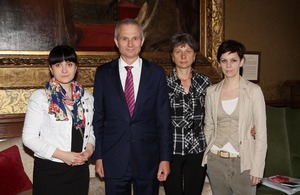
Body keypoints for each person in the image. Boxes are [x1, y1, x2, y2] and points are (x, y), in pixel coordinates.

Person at [92, 18, 173, 195]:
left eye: (135, 38)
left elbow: (164, 120)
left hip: (148, 159)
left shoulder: (156, 73)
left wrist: (165, 158)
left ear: (142, 41)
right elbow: (97, 118)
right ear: (116, 42)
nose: (130, 44)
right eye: (124, 38)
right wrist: (98, 156)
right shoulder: (103, 74)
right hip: (113, 159)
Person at [22, 45, 95, 195]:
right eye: (58, 65)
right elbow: (29, 138)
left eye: (69, 64)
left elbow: (91, 131)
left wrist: (89, 150)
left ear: (76, 67)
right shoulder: (40, 97)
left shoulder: (87, 98)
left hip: (79, 171)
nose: (64, 70)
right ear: (50, 68)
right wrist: (63, 155)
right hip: (50, 171)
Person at [202, 40, 267, 195]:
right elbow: (208, 126)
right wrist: (209, 156)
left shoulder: (253, 91)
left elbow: (262, 133)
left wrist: (257, 168)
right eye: (224, 61)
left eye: (233, 60)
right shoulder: (211, 92)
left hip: (243, 163)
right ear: (219, 63)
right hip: (216, 162)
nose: (228, 65)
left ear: (241, 62)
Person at [164, 33, 211, 195]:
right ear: (172, 56)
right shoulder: (163, 84)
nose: (183, 55)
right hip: (172, 150)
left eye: (188, 51)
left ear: (194, 56)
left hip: (198, 148)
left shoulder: (205, 82)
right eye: (178, 51)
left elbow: (215, 113)